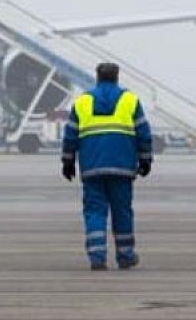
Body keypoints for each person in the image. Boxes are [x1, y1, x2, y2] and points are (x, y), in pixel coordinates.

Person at [60, 62, 154, 270]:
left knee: (95, 212)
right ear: (117, 76)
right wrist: (145, 159)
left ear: (97, 76)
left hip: (92, 167)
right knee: (122, 211)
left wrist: (68, 162)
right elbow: (143, 132)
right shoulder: (130, 100)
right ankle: (125, 255)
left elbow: (70, 135)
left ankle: (97, 257)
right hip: (122, 167)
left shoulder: (83, 101)